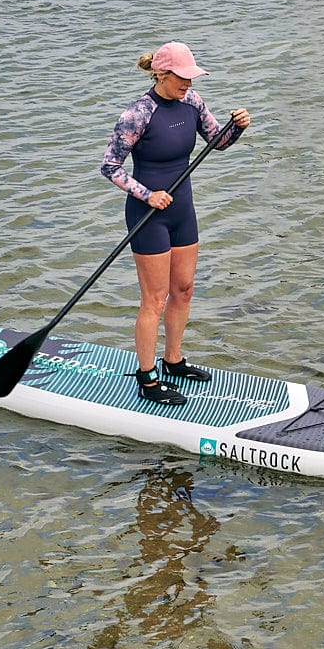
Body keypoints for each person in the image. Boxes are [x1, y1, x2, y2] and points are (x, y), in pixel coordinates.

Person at [101, 41, 251, 406]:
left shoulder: (193, 103)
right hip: (148, 215)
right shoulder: (137, 114)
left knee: (183, 290)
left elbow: (218, 142)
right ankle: (147, 377)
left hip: (183, 209)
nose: (188, 83)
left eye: (191, 77)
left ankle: (174, 361)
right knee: (155, 298)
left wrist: (238, 127)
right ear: (162, 74)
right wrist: (146, 194)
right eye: (182, 77)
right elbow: (110, 166)